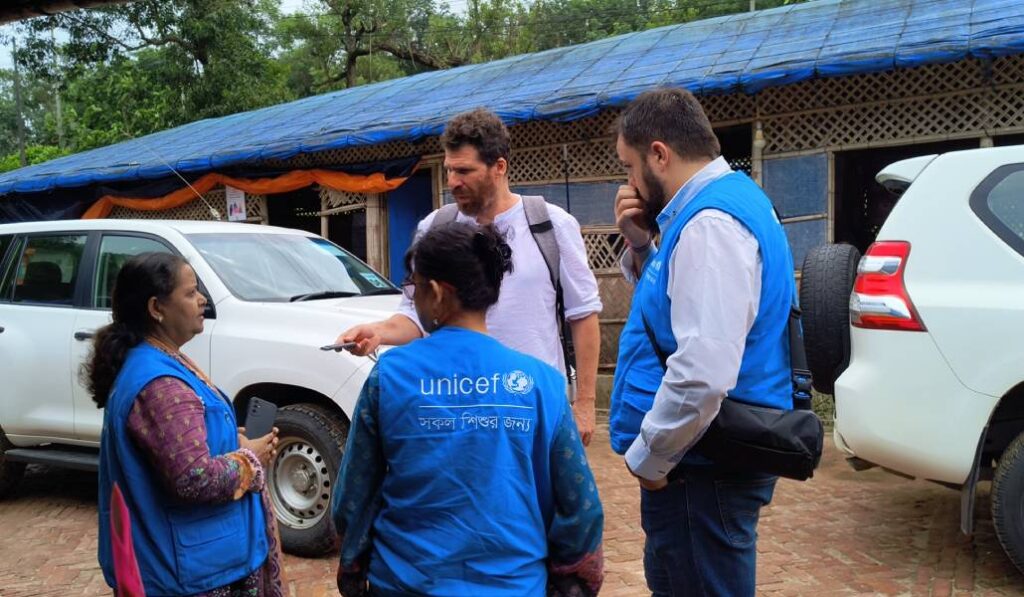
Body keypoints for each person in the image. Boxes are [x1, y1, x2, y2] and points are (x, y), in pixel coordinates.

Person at [331, 222, 604, 596]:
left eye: (414, 286)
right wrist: (568, 581)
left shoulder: (390, 376)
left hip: (405, 583)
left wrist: (352, 567)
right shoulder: (542, 382)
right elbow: (581, 506)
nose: (412, 296)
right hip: (515, 585)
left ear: (438, 293)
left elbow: (354, 495)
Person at [609, 88, 797, 596]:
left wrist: (651, 459)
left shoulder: (710, 225)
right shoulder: (717, 207)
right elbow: (676, 307)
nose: (628, 183)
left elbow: (702, 371)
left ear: (659, 154)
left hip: (700, 467)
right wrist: (641, 241)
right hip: (698, 464)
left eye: (629, 166)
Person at [337, 108, 603, 446]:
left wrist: (584, 404)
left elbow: (583, 315)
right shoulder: (435, 228)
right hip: (459, 410)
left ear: (499, 167)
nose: (452, 182)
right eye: (449, 170)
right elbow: (415, 315)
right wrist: (378, 332)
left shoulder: (550, 225)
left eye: (464, 171)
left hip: (535, 406)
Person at [88, 252, 285, 596]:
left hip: (199, 563)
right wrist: (249, 458)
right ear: (156, 308)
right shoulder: (160, 384)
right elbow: (193, 478)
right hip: (193, 573)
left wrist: (228, 440)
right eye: (190, 293)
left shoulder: (160, 359)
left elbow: (179, 443)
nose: (202, 299)